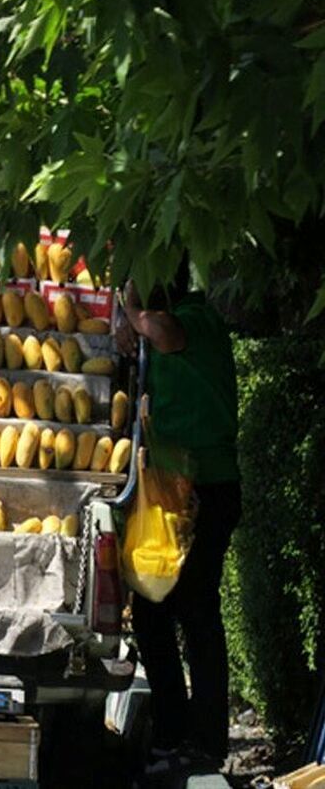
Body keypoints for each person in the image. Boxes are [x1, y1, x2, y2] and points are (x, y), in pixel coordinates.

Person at [115, 260, 241, 784]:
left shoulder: (195, 319)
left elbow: (163, 334)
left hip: (205, 492)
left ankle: (200, 740)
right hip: (176, 494)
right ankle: (176, 733)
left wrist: (129, 309)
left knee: (194, 613)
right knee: (155, 613)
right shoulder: (172, 322)